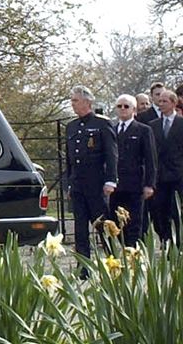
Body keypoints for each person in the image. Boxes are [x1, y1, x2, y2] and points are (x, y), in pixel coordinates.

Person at [63, 86, 117, 261]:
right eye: (72, 100)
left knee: (102, 224)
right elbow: (70, 158)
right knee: (80, 228)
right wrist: (68, 184)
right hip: (78, 184)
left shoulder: (101, 123)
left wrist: (110, 180)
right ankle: (83, 266)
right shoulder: (71, 127)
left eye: (75, 100)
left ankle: (112, 260)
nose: (73, 104)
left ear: (87, 102)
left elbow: (111, 153)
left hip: (96, 183)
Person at [107, 94, 156, 245]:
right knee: (117, 224)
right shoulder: (112, 130)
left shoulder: (143, 130)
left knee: (134, 224)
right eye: (119, 106)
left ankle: (134, 257)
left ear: (134, 109)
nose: (122, 109)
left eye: (126, 106)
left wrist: (150, 184)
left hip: (135, 185)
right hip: (117, 186)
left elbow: (150, 159)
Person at [149, 89, 183, 246]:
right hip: (159, 177)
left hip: (178, 176)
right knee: (159, 211)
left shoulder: (181, 124)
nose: (161, 104)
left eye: (164, 101)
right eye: (159, 101)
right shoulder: (153, 126)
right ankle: (165, 239)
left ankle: (178, 243)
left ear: (174, 103)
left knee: (176, 211)